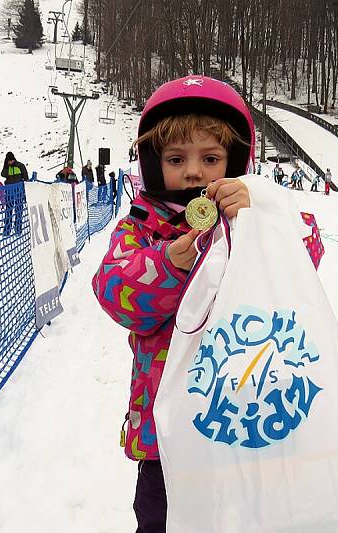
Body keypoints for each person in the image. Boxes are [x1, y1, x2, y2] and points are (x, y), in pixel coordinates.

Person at [92, 75, 265, 531]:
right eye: (176, 159)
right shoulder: (141, 230)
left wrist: (257, 217)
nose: (194, 172)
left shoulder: (255, 217)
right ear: (154, 164)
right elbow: (114, 292)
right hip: (162, 438)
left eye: (211, 158)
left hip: (237, 426)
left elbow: (304, 252)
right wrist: (168, 261)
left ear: (234, 163)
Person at [1, 151, 28, 234]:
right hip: (9, 192)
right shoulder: (6, 168)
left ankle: (18, 229)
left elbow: (26, 178)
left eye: (11, 160)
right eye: (9, 161)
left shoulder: (20, 166)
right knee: (8, 211)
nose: (10, 162)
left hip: (19, 192)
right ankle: (7, 230)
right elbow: (2, 174)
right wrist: (6, 166)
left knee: (19, 210)